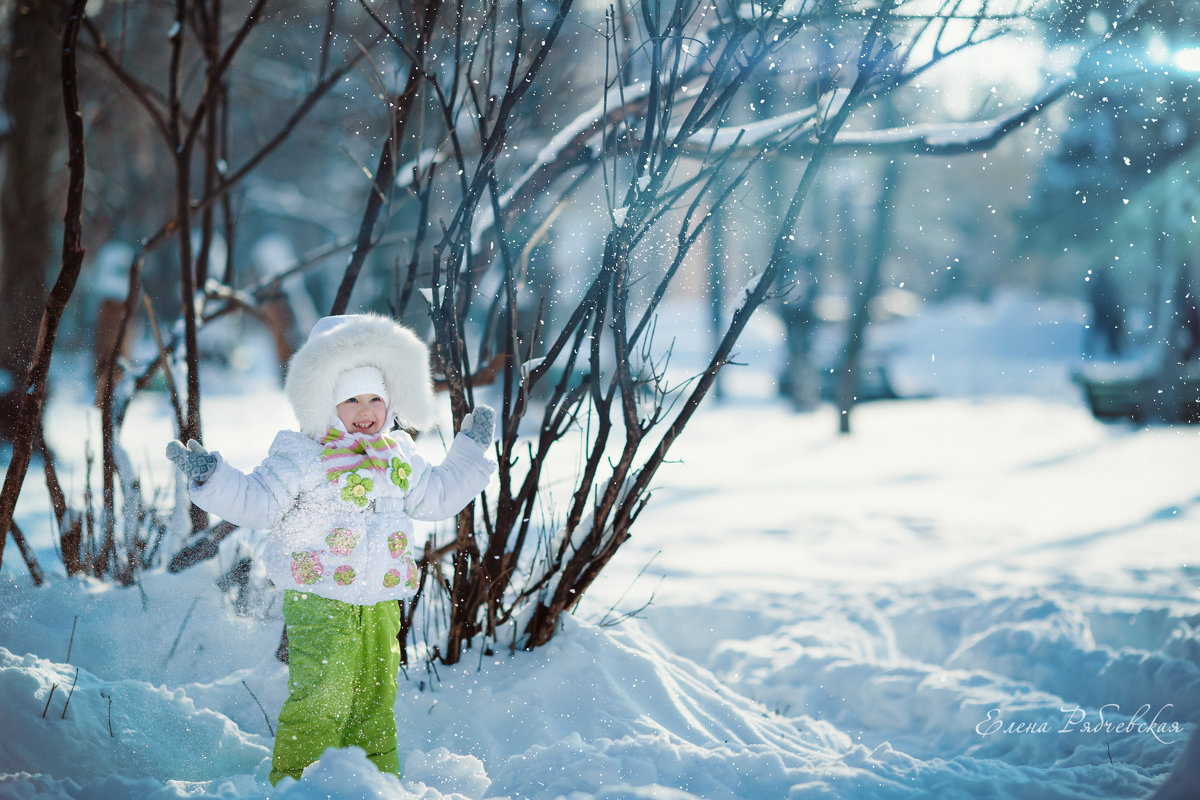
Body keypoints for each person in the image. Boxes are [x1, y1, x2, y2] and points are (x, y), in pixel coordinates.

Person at [165, 313, 496, 785]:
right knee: (321, 699)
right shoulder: (303, 456)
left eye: (375, 398)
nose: (366, 410)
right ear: (325, 402)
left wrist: (468, 452)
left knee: (375, 704)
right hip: (320, 601)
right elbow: (258, 501)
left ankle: (375, 787)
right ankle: (295, 787)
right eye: (351, 399)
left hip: (382, 604)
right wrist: (211, 476)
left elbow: (439, 495)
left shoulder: (397, 457)